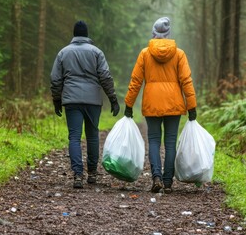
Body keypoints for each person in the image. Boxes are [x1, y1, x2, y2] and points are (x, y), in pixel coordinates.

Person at [124, 17, 197, 194]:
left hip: (152, 104)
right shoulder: (179, 54)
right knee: (170, 143)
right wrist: (191, 106)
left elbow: (136, 81)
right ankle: (167, 182)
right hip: (174, 104)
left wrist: (128, 104)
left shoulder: (145, 53)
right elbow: (186, 81)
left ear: (154, 33)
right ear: (168, 33)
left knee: (154, 141)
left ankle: (156, 177)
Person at [50, 20, 120, 189]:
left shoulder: (63, 53)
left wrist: (57, 100)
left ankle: (78, 175)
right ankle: (93, 173)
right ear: (87, 35)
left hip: (71, 100)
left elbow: (55, 79)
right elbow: (105, 76)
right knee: (92, 135)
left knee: (74, 137)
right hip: (93, 100)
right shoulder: (97, 52)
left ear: (74, 34)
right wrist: (113, 99)